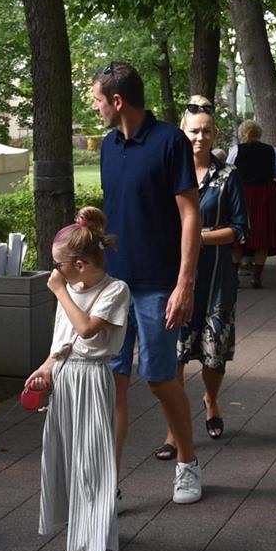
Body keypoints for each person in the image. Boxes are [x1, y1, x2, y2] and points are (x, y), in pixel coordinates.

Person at [91, 61, 203, 504]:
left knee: (159, 378)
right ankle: (109, 484)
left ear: (118, 101)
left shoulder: (170, 141)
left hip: (159, 284)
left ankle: (188, 462)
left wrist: (185, 284)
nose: (96, 107)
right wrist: (94, 225)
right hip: (114, 286)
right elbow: (120, 209)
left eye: (98, 100)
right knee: (114, 382)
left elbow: (190, 214)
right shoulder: (107, 146)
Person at [25, 209, 130, 551]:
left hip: (93, 379)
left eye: (59, 265)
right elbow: (63, 343)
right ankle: (86, 529)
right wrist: (44, 369)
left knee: (90, 463)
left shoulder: (115, 291)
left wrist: (59, 291)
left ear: (81, 265)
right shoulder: (69, 290)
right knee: (67, 459)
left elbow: (85, 331)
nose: (54, 272)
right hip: (66, 379)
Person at [158, 101, 246, 453]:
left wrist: (198, 237)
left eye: (206, 130)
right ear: (182, 132)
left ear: (215, 134)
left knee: (214, 351)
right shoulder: (167, 173)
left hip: (215, 278)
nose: (200, 137)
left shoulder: (228, 176)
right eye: (193, 130)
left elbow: (240, 228)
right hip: (175, 274)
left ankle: (211, 400)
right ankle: (174, 432)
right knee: (175, 354)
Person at [228, 122, 276, 290]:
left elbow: (228, 170)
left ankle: (233, 277)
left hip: (243, 193)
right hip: (266, 193)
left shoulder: (236, 150)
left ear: (242, 133)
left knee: (239, 235)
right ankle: (256, 277)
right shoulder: (271, 150)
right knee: (263, 235)